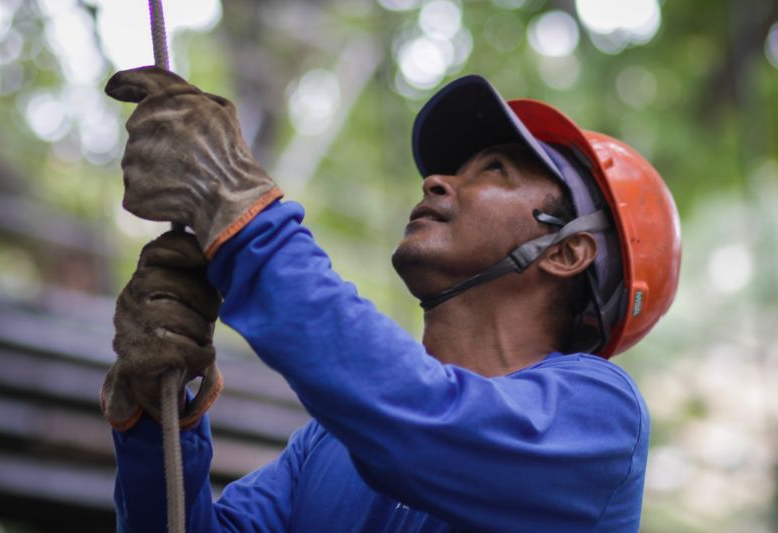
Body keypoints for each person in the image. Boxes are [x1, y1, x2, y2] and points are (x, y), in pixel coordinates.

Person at [101, 67, 681, 532]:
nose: (436, 181)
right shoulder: (327, 445)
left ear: (567, 252)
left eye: (496, 171)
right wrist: (159, 419)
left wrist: (239, 214)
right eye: (452, 170)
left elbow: (425, 426)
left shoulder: (599, 421)